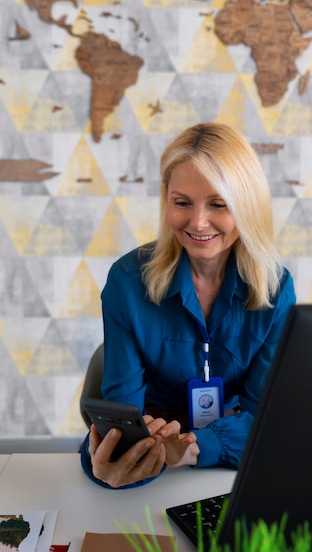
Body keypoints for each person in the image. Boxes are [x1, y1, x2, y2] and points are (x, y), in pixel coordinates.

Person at [80, 122, 296, 488]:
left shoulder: (275, 287)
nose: (198, 222)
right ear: (166, 200)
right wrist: (111, 464)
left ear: (247, 204)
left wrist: (194, 448)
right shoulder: (127, 282)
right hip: (154, 441)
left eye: (218, 204)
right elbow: (122, 419)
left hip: (228, 447)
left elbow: (265, 420)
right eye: (182, 203)